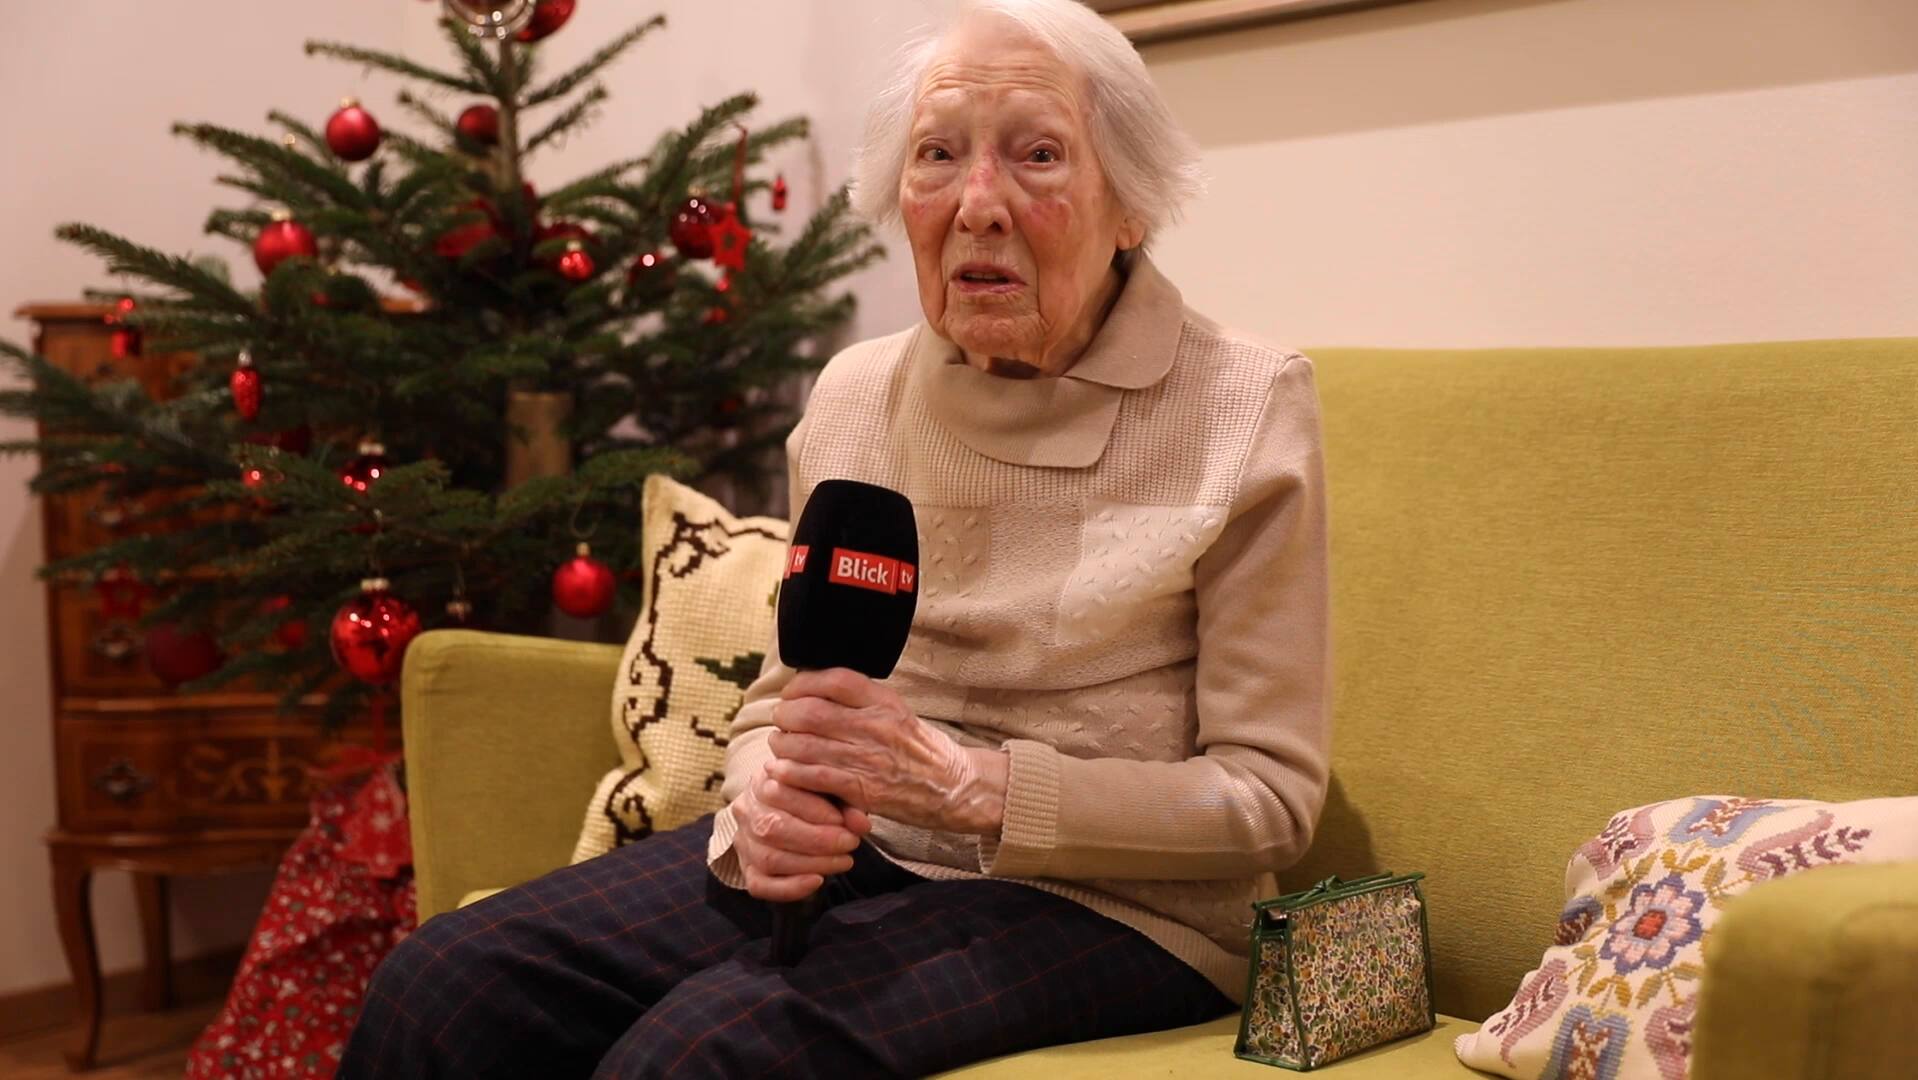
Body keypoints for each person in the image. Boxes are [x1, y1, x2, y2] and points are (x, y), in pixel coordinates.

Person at [341, 0, 1330, 1075]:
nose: (978, 205)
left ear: (1129, 202)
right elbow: (784, 697)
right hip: (873, 850)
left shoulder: (1242, 403)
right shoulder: (858, 397)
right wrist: (760, 789)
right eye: (937, 157)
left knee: (700, 1057)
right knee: (445, 983)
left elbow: (1266, 799)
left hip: (1125, 906)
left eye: (1037, 155)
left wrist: (975, 788)